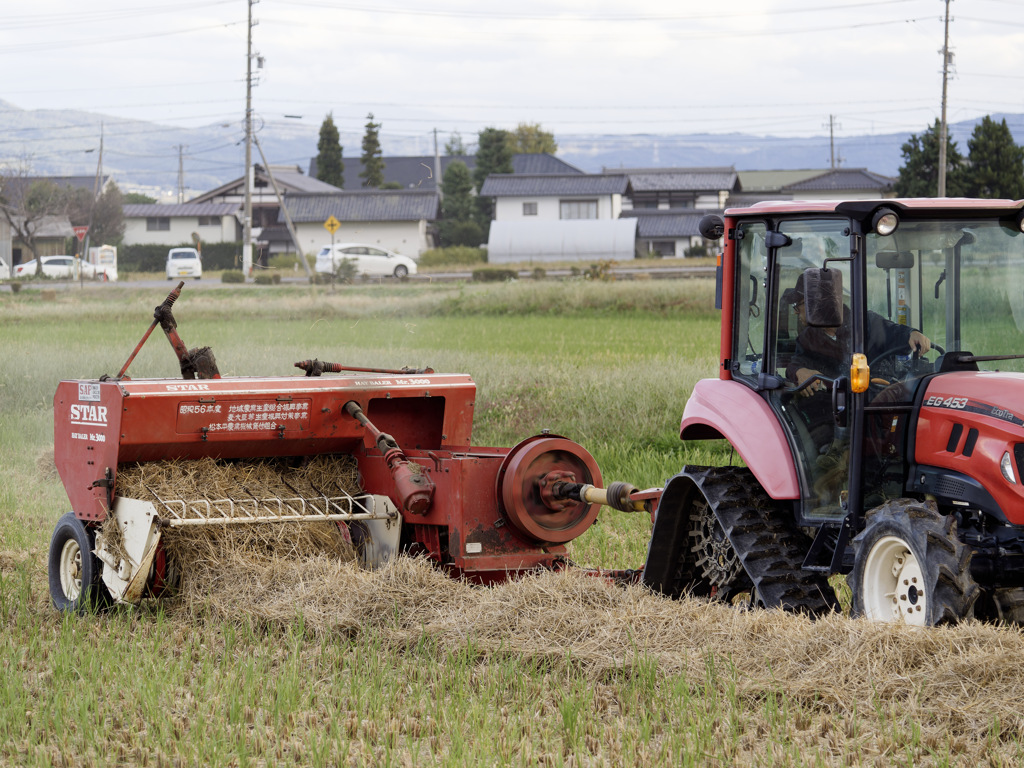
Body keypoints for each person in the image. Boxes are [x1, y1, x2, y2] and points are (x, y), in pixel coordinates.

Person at [781, 273, 932, 501]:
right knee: (859, 400)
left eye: (800, 305)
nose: (796, 311)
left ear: (819, 304)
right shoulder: (808, 338)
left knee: (878, 399)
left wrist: (912, 334)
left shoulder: (866, 322)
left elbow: (894, 332)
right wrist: (798, 372)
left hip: (880, 393)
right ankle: (867, 487)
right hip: (839, 405)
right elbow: (796, 364)